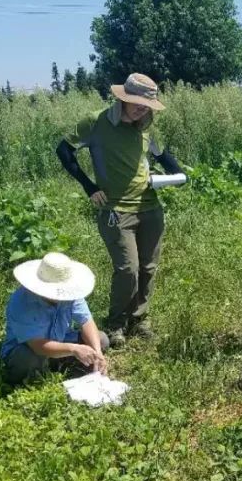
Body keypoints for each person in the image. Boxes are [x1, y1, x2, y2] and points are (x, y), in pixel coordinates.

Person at [56, 73, 183, 346]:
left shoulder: (147, 125)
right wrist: (89, 187)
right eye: (137, 103)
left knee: (148, 267)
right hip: (116, 209)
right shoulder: (96, 122)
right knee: (127, 269)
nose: (142, 109)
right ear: (122, 98)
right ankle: (116, 324)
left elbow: (161, 155)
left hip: (150, 206)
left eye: (147, 104)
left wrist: (177, 174)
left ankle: (139, 319)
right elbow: (64, 150)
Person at [0, 252, 109, 384]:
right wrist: (74, 349)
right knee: (28, 359)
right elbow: (38, 346)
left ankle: (56, 365)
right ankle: (32, 378)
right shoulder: (22, 302)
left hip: (61, 341)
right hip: (28, 349)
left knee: (101, 339)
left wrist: (98, 353)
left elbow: (86, 321)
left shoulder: (71, 293)